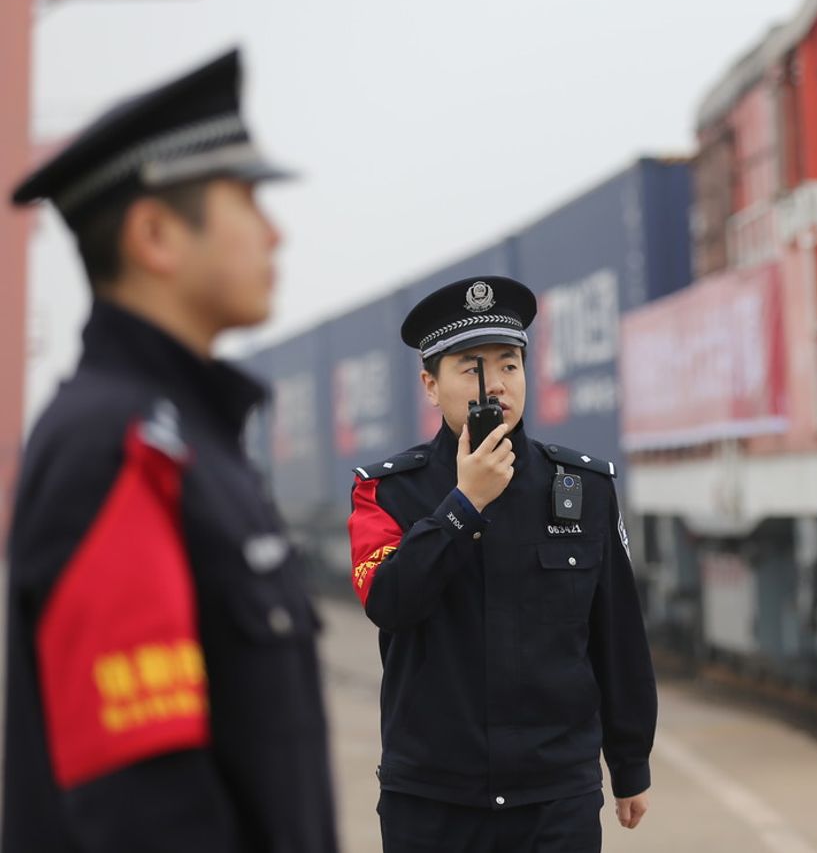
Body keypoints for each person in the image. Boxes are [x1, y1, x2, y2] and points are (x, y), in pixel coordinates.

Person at [3, 49, 339, 851]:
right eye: (248, 199)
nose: (275, 232)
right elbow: (146, 815)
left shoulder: (191, 442)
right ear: (155, 234)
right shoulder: (119, 452)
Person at [347, 276, 656, 852]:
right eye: (471, 367)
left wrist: (630, 760)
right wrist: (463, 507)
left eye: (510, 365)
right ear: (430, 386)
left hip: (554, 797)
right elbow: (389, 602)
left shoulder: (583, 487)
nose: (496, 384)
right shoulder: (386, 492)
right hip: (433, 799)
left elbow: (617, 633)